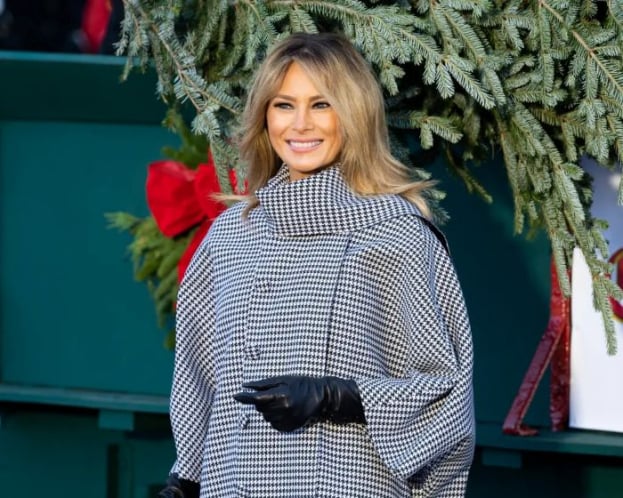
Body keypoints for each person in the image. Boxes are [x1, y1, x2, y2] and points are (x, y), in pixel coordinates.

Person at [160, 32, 475, 498]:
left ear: (354, 114)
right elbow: (197, 372)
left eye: (321, 104)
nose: (300, 124)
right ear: (265, 116)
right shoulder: (230, 235)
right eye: (284, 105)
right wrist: (185, 478)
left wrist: (337, 397)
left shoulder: (397, 235)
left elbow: (446, 392)